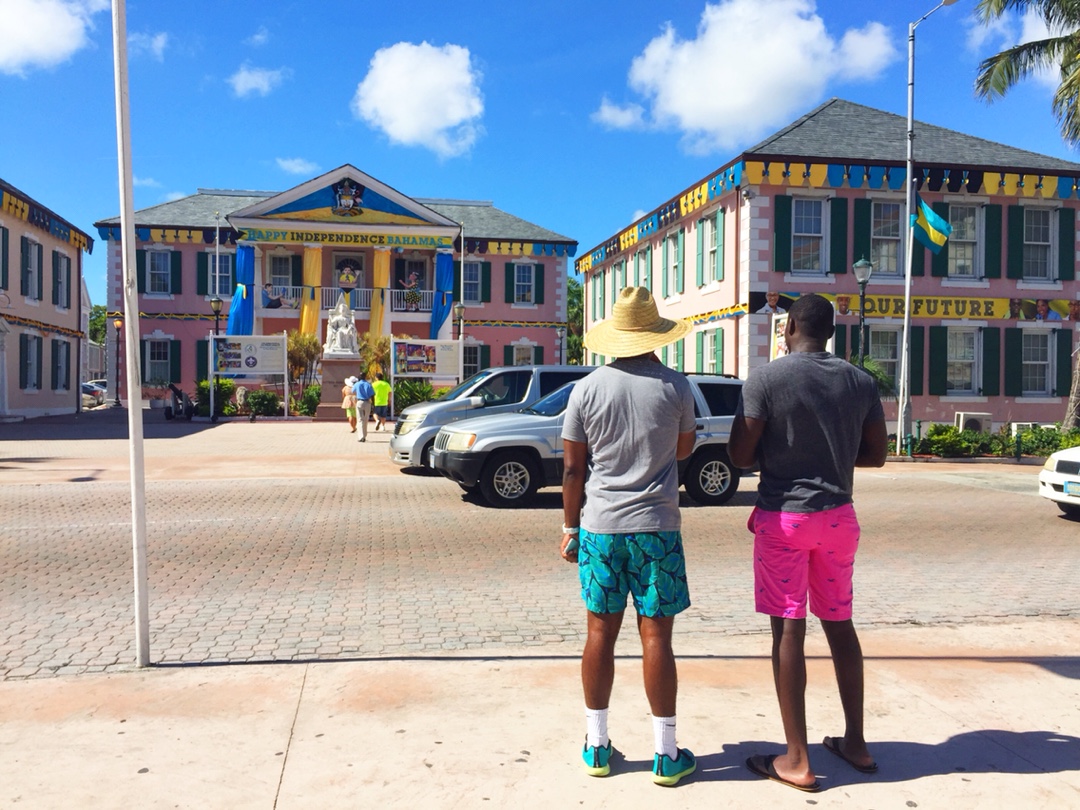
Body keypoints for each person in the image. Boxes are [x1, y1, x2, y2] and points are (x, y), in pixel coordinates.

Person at [728, 293, 887, 794]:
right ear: (831, 332)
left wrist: (782, 453)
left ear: (791, 325)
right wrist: (832, 458)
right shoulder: (860, 381)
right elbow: (877, 456)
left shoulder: (767, 379)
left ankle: (796, 758)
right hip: (839, 518)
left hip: (786, 520)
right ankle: (856, 743)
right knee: (840, 625)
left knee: (789, 630)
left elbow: (738, 453)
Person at [560, 286, 698, 787]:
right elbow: (683, 453)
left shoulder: (586, 389)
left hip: (600, 528)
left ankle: (597, 746)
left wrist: (569, 528)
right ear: (654, 333)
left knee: (599, 633)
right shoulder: (676, 387)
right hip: (657, 528)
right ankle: (666, 753)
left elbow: (574, 471)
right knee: (656, 636)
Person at [352, 375, 376, 442]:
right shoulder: (368, 384)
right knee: (366, 419)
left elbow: (352, 391)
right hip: (367, 402)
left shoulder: (357, 384)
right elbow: (372, 395)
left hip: (359, 402)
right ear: (365, 378)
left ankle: (361, 436)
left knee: (360, 420)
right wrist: (373, 404)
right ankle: (364, 435)